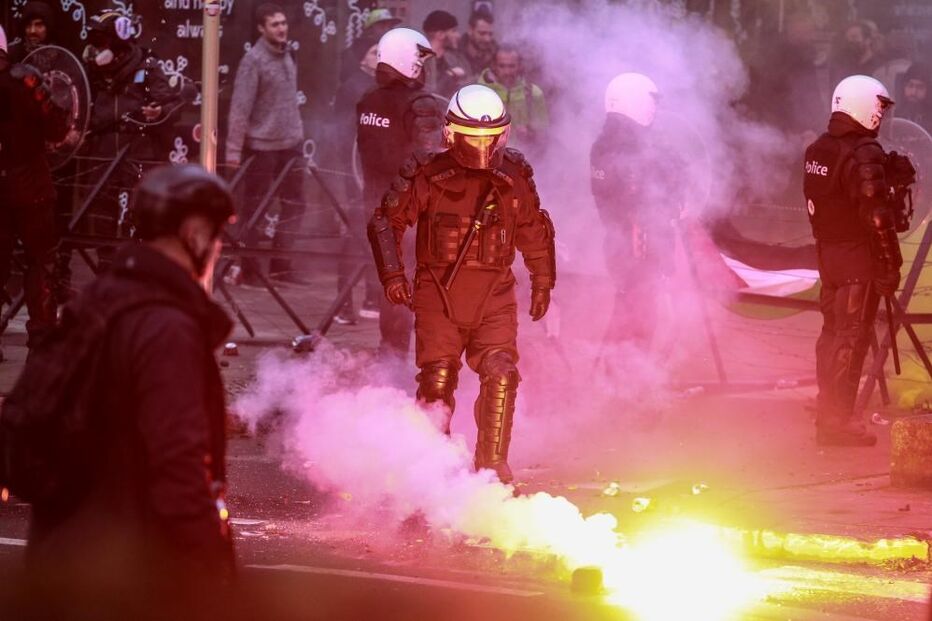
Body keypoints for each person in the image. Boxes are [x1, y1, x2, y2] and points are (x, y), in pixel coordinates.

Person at [21, 164, 237, 620]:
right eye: (216, 235)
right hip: (129, 575)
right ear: (194, 232)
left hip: (61, 562)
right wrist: (217, 580)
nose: (217, 248)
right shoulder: (166, 329)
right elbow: (178, 469)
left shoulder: (100, 299)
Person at [367, 84, 556, 483]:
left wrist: (543, 279)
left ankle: (492, 471)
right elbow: (386, 221)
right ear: (451, 133)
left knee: (502, 373)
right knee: (437, 379)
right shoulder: (427, 172)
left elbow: (533, 228)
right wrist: (393, 275)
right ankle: (432, 476)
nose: (483, 148)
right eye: (474, 139)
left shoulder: (514, 174)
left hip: (495, 294)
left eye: (490, 139)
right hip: (439, 291)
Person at [804, 75, 908, 446]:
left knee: (832, 335)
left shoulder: (819, 148)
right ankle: (838, 422)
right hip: (855, 260)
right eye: (878, 105)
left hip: (828, 255)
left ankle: (828, 410)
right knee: (851, 339)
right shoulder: (863, 152)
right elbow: (877, 217)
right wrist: (890, 264)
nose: (880, 113)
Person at [356, 27, 445, 355]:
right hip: (413, 211)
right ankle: (420, 360)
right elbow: (432, 160)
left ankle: (390, 357)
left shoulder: (367, 101)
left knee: (390, 283)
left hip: (375, 207)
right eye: (419, 60)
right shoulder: (420, 105)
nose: (422, 67)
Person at [590, 72, 682, 347]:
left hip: (633, 243)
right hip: (635, 245)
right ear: (633, 102)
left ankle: (623, 373)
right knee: (637, 311)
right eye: (650, 102)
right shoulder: (619, 146)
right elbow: (636, 199)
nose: (654, 109)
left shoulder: (617, 142)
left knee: (636, 308)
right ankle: (622, 374)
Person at [81, 8, 179, 261]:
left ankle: (141, 268)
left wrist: (158, 113)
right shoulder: (92, 72)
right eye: (93, 41)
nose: (95, 48)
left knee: (142, 211)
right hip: (102, 151)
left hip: (137, 151)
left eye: (100, 41)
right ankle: (105, 266)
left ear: (117, 40)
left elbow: (173, 103)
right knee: (101, 210)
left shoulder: (146, 67)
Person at [226, 3, 306, 286]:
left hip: (291, 144)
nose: (282, 28)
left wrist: (298, 132)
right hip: (261, 146)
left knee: (296, 204)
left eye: (283, 23)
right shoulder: (253, 61)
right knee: (256, 209)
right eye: (275, 24)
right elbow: (239, 108)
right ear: (261, 28)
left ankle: (281, 266)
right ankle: (250, 271)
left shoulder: (288, 54)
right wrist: (234, 150)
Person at [0, 24, 68, 348]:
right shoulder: (25, 79)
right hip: (31, 187)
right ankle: (41, 341)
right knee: (41, 261)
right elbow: (56, 127)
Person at [332, 34, 381, 324]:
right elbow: (342, 133)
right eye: (375, 52)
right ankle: (343, 302)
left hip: (375, 174)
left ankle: (373, 296)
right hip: (355, 172)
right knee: (354, 237)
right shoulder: (352, 88)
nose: (379, 58)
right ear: (363, 57)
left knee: (377, 234)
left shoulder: (381, 87)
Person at [478, 45, 549, 152]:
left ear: (519, 66)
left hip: (525, 157)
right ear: (494, 66)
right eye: (502, 66)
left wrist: (530, 134)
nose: (507, 72)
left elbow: (544, 134)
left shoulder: (533, 94)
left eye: (512, 66)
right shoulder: (481, 93)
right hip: (488, 156)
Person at [339, 8, 401, 85]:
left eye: (390, 26)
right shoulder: (355, 52)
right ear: (371, 29)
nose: (387, 29)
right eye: (382, 25)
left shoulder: (392, 50)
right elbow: (348, 83)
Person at [421, 10, 469, 98]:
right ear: (440, 35)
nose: (458, 35)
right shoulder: (421, 60)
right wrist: (449, 75)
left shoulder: (456, 58)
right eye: (453, 31)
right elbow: (429, 95)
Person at [459, 9, 497, 78]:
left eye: (490, 34)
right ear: (470, 30)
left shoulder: (497, 55)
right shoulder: (455, 55)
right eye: (482, 33)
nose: (487, 39)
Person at [895, 62, 931, 133]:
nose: (914, 92)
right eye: (910, 85)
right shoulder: (895, 116)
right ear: (904, 87)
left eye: (920, 87)